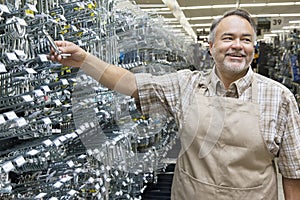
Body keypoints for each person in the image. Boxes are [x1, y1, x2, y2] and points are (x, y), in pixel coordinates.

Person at [49, 9, 300, 200]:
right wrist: (84, 60)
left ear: (253, 48)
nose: (237, 46)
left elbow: (293, 172)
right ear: (211, 47)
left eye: (246, 40)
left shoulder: (280, 98)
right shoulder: (185, 85)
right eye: (228, 38)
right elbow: (129, 83)